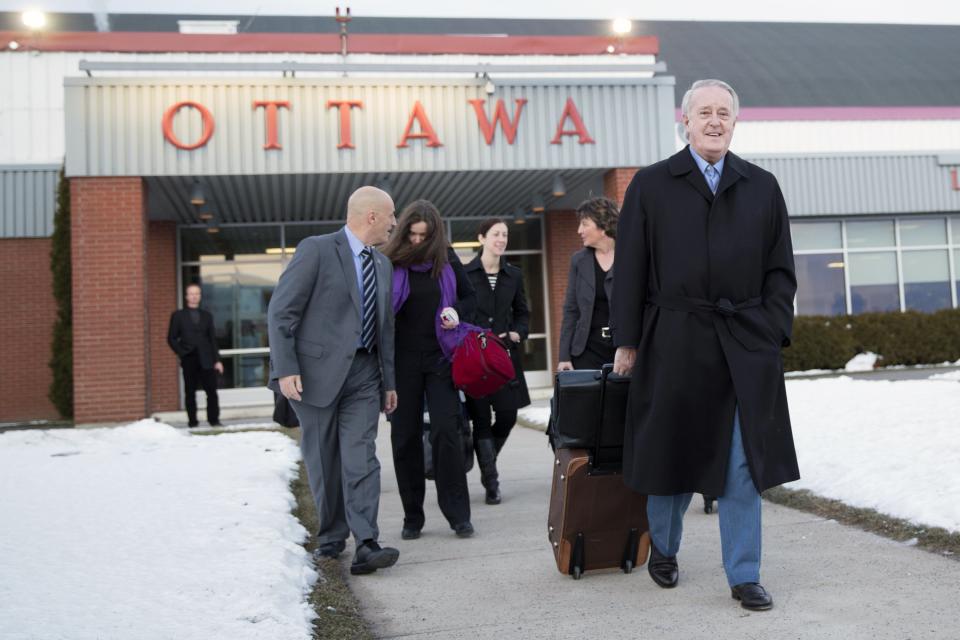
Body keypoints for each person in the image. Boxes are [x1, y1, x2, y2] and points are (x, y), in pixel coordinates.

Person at [611, 79, 799, 611]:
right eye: (704, 113)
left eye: (724, 113)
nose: (714, 121)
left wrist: (771, 328)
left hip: (743, 344)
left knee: (742, 464)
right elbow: (630, 272)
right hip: (673, 339)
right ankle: (664, 550)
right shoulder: (651, 185)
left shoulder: (761, 186)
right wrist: (628, 341)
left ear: (734, 123)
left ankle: (744, 574)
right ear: (686, 122)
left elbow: (781, 270)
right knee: (670, 456)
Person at [267, 186, 400, 576]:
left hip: (363, 374)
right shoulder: (317, 249)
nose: (395, 223)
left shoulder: (383, 265)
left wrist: (388, 381)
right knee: (324, 460)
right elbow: (281, 311)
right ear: (372, 216)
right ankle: (331, 536)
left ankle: (367, 542)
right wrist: (286, 368)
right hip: (314, 375)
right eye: (391, 215)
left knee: (362, 456)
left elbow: (385, 328)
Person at [382, 200, 477, 540]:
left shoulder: (446, 258)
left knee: (446, 434)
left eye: (425, 235)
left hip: (440, 358)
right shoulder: (389, 260)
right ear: (405, 232)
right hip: (402, 361)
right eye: (413, 234)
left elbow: (469, 297)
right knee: (404, 437)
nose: (419, 241)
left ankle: (458, 515)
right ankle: (412, 517)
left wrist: (455, 311)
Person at [463, 218, 532, 505]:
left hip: (505, 357)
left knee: (507, 415)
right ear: (482, 238)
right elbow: (459, 313)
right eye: (495, 234)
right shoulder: (465, 274)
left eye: (505, 235)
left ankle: (486, 459)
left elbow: (522, 312)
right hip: (476, 359)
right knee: (480, 419)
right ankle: (491, 481)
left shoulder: (513, 275)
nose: (501, 239)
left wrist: (518, 332)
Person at [557, 197, 619, 371]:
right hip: (586, 351)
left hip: (623, 348)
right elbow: (571, 310)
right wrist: (564, 356)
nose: (579, 230)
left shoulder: (630, 255)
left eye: (584, 224)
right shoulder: (579, 260)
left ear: (604, 224)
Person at [167, 283, 223, 427]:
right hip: (189, 359)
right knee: (190, 392)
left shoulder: (207, 316)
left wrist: (217, 360)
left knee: (211, 391)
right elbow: (171, 338)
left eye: (197, 293)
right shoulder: (178, 315)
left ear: (200, 296)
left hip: (207, 359)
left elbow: (212, 339)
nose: (194, 296)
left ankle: (214, 420)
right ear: (186, 296)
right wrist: (182, 352)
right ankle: (192, 422)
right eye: (191, 293)